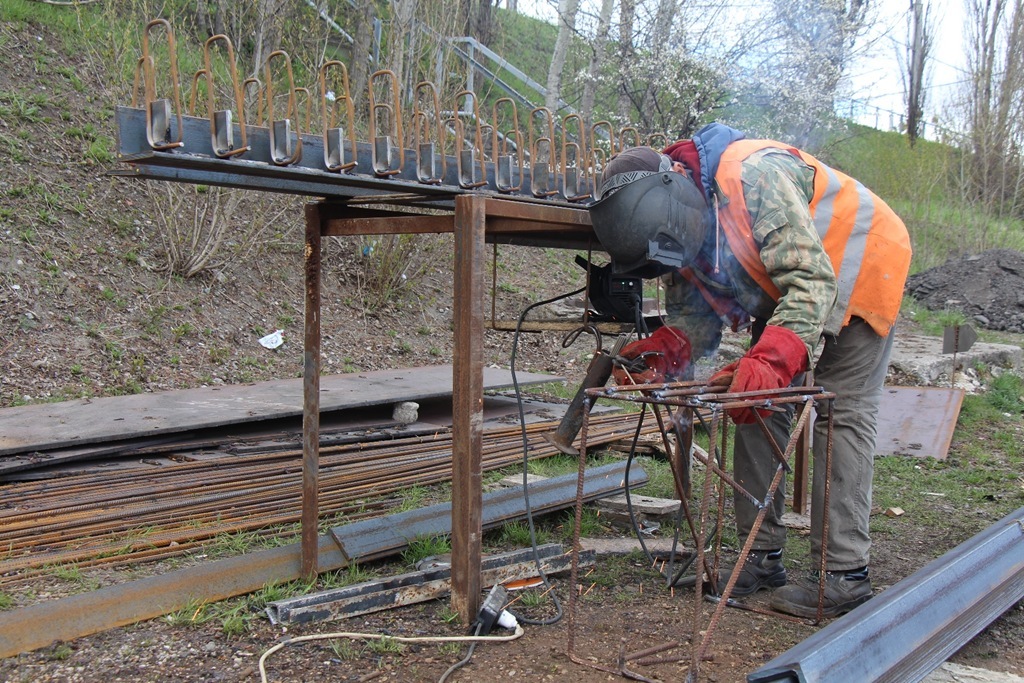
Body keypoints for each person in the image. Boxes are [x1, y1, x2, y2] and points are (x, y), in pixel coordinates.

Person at [588, 123, 912, 618]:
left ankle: (844, 575)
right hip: (789, 285)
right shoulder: (675, 224)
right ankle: (759, 558)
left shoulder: (752, 175)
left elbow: (811, 282)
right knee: (756, 402)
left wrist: (770, 359)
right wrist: (667, 348)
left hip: (860, 262)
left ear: (677, 178)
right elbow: (695, 320)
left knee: (839, 409)